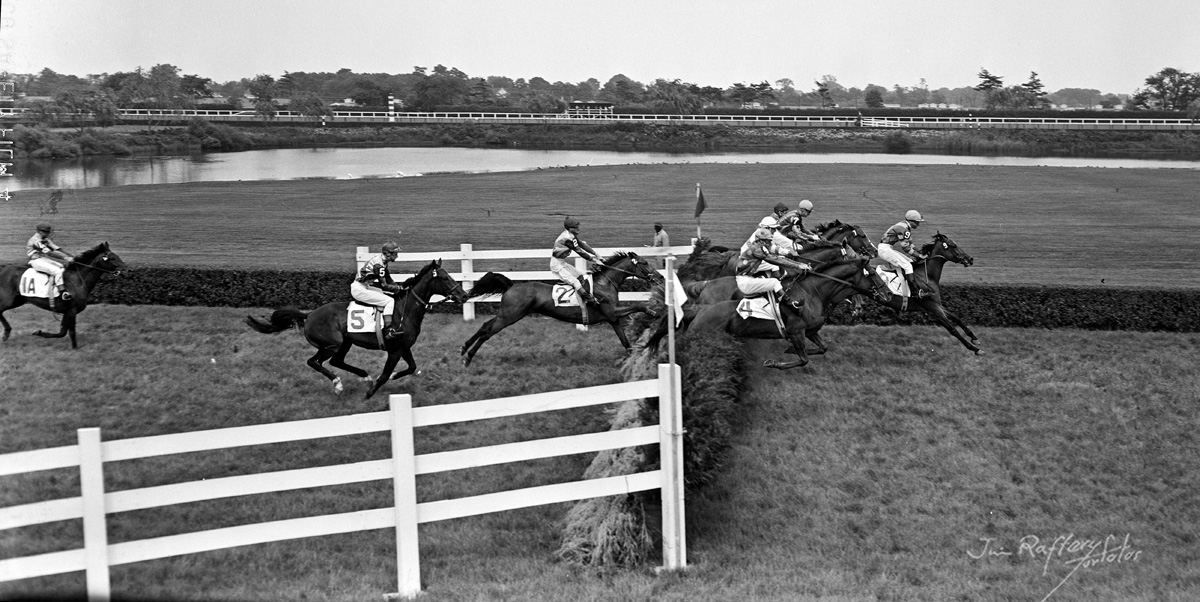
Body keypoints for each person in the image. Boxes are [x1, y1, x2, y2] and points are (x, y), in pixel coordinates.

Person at [735, 227, 809, 309]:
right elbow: (776, 260)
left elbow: (779, 258)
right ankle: (790, 303)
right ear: (760, 240)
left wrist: (799, 263)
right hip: (744, 282)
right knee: (774, 282)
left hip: (748, 277)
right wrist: (798, 266)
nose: (770, 242)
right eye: (768, 240)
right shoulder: (757, 250)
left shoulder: (760, 247)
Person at [351, 241, 407, 339]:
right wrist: (399, 288)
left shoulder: (382, 261)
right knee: (390, 301)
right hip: (360, 289)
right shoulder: (379, 265)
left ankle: (381, 322)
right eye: (395, 254)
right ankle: (388, 330)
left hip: (364, 286)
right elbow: (384, 285)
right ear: (387, 253)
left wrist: (398, 288)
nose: (397, 256)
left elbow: (388, 279)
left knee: (385, 295)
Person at [551, 216, 605, 304]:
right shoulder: (566, 238)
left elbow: (582, 245)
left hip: (562, 263)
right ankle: (590, 300)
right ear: (570, 228)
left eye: (578, 226)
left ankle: (579, 298)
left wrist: (596, 254)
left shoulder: (571, 235)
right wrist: (594, 260)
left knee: (580, 276)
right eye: (576, 227)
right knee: (575, 282)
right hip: (556, 266)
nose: (578, 229)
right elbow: (579, 251)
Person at [878, 210, 931, 298]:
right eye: (917, 222)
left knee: (910, 262)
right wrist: (919, 256)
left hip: (887, 247)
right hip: (885, 249)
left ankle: (904, 285)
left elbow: (910, 244)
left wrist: (920, 252)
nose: (918, 224)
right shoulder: (904, 229)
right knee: (908, 266)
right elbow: (905, 248)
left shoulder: (905, 226)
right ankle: (915, 293)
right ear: (911, 221)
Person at [26, 224, 75, 299]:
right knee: (58, 271)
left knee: (62, 267)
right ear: (40, 232)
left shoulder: (45, 238)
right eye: (46, 232)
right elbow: (49, 253)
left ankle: (59, 287)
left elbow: (57, 249)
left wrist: (70, 255)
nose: (48, 234)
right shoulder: (35, 241)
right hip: (36, 261)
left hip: (43, 259)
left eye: (48, 232)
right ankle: (63, 293)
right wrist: (65, 258)